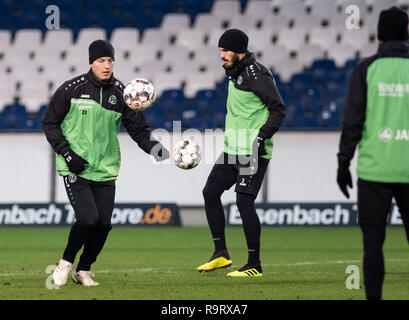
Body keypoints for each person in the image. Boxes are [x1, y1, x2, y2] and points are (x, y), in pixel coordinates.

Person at [43, 39, 169, 286]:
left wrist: (155, 149)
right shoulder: (72, 89)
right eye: (101, 60)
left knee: (103, 225)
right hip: (75, 168)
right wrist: (68, 154)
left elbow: (138, 129)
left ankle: (84, 270)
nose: (107, 65)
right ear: (91, 63)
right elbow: (49, 123)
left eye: (110, 60)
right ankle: (65, 263)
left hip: (105, 169)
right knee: (88, 219)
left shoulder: (122, 93)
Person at [197, 29, 286, 277]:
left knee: (243, 201)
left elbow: (279, 110)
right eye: (220, 51)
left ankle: (254, 264)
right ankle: (220, 254)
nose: (222, 55)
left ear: (239, 50)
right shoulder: (235, 73)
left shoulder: (256, 74)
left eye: (225, 51)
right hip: (232, 149)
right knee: (210, 192)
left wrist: (261, 138)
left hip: (253, 151)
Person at [337, 7, 409, 299]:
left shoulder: (365, 69)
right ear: (406, 33)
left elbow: (353, 121)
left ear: (378, 35)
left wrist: (343, 163)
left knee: (373, 245)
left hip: (374, 171)